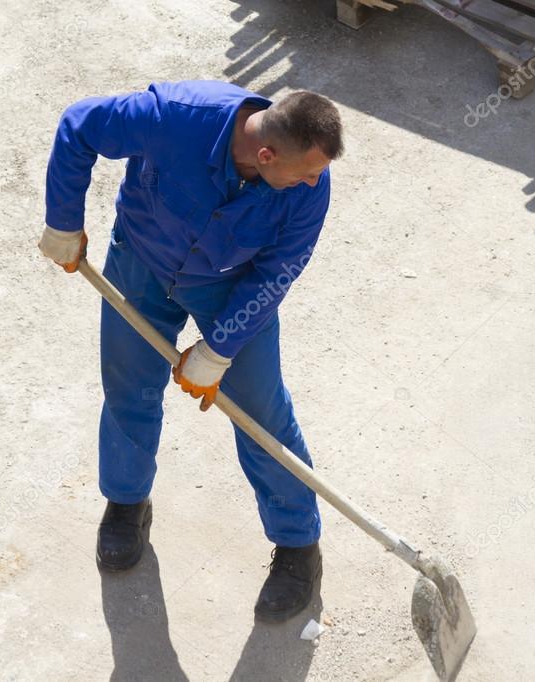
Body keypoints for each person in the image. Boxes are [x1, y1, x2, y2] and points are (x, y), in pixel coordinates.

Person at [39, 80, 342, 622]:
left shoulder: (309, 190)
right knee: (129, 387)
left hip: (231, 286)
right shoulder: (172, 117)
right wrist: (63, 221)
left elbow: (278, 272)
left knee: (260, 413)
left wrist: (218, 349)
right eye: (306, 172)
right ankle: (127, 504)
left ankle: (299, 546)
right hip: (143, 260)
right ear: (266, 153)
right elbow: (79, 125)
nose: (316, 182)